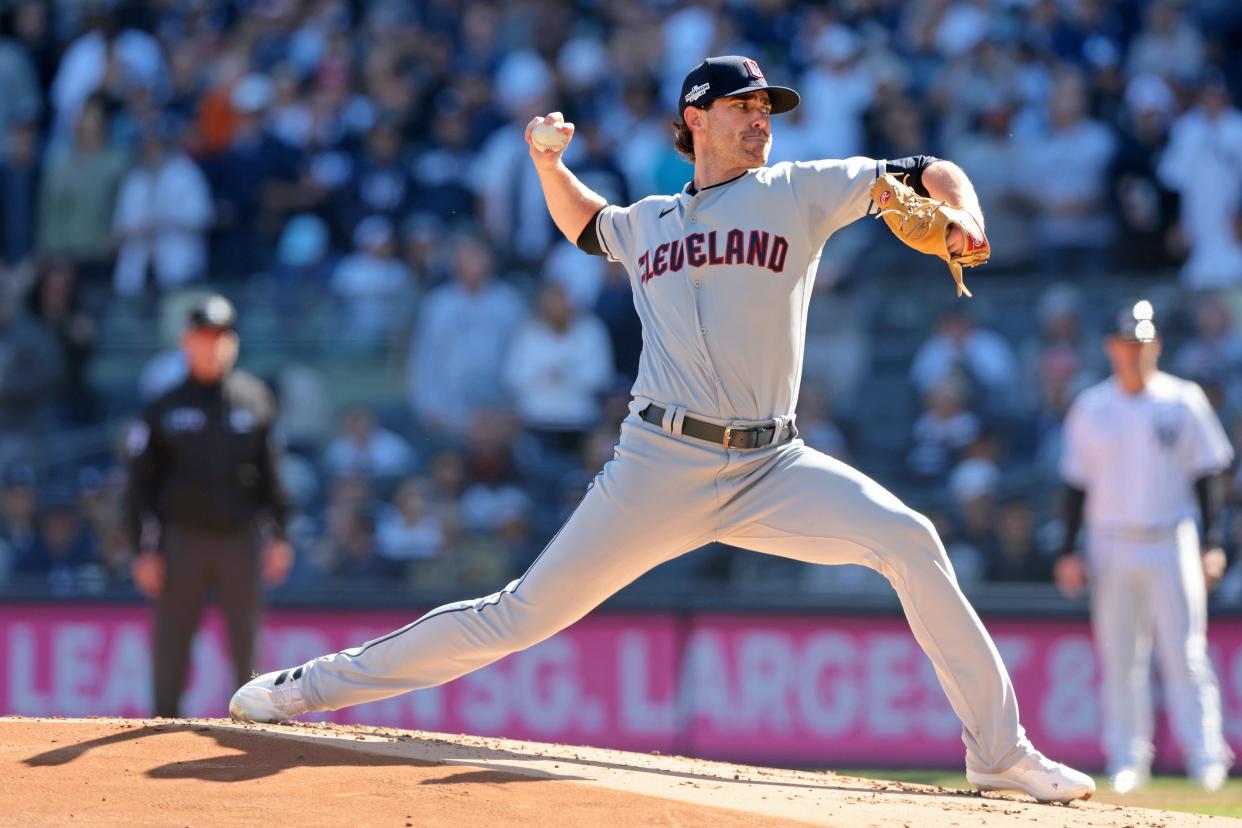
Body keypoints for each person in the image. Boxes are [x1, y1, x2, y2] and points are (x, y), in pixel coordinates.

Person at [230, 55, 1094, 804]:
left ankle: (999, 754)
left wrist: (963, 214)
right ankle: (305, 690)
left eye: (767, 109)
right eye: (743, 107)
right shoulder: (648, 222)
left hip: (774, 461)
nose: (761, 120)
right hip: (659, 461)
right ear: (695, 119)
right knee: (516, 616)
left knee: (911, 539)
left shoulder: (799, 190)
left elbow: (929, 169)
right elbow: (582, 224)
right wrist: (544, 161)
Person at [1054, 300, 1234, 794]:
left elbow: (1208, 474)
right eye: (1127, 343)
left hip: (1171, 535)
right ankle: (1128, 757)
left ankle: (1206, 756)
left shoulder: (1183, 399)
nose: (1135, 352)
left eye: (1143, 343)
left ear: (1156, 345)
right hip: (1111, 540)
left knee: (1186, 652)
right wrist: (1069, 550)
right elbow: (1075, 486)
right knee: (1121, 656)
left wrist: (1213, 542)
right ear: (1112, 347)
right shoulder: (1092, 406)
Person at [126, 295, 293, 718]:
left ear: (233, 342)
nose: (213, 345)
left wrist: (280, 536)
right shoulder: (164, 406)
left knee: (246, 645)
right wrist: (142, 549)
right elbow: (139, 486)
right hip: (182, 541)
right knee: (172, 646)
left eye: (221, 336)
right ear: (187, 341)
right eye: (204, 336)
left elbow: (272, 477)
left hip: (240, 540)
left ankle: (253, 734)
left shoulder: (255, 400)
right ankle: (162, 730)